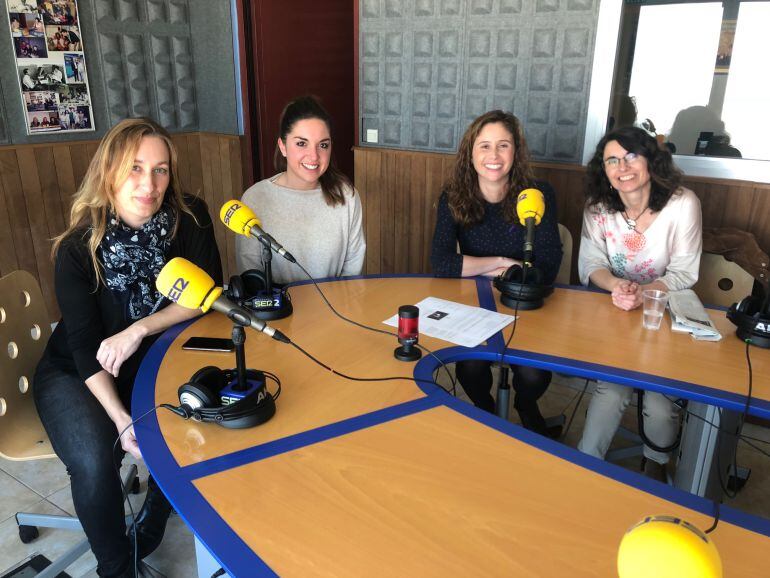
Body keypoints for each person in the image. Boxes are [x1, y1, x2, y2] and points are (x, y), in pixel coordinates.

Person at [33, 118, 223, 578]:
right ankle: (116, 569)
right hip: (79, 370)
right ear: (109, 172)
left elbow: (206, 293)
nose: (149, 183)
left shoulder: (189, 217)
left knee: (203, 412)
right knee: (96, 459)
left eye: (160, 170)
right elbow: (82, 345)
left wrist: (139, 328)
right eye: (135, 168)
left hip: (150, 356)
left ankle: (156, 515)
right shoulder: (79, 248)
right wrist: (120, 418)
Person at [577, 126, 702, 481]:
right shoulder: (598, 208)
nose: (623, 166)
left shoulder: (683, 204)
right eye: (612, 160)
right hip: (615, 313)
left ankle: (656, 464)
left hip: (663, 314)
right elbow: (590, 264)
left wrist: (643, 292)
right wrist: (617, 286)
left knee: (660, 400)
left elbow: (684, 272)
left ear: (651, 160)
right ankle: (585, 468)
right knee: (610, 386)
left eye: (632, 155)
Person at [430, 110, 563, 437]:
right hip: (476, 304)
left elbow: (547, 265)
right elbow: (442, 263)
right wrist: (503, 262)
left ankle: (525, 407)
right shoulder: (453, 196)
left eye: (503, 146)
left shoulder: (537, 196)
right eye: (484, 146)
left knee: (533, 376)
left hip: (526, 305)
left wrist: (483, 265)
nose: (493, 156)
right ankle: (486, 412)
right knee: (471, 367)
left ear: (515, 153)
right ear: (470, 153)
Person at [236, 95, 365, 284]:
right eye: (301, 143)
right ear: (283, 146)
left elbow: (352, 270)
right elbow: (251, 277)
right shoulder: (255, 198)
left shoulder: (347, 196)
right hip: (277, 311)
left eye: (323, 145)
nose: (314, 156)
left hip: (334, 308)